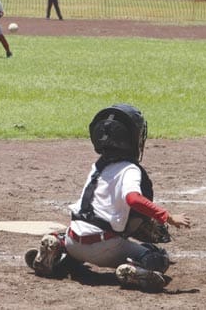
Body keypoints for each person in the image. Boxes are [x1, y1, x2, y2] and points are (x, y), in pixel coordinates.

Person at [24, 104, 192, 292]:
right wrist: (167, 216)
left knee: (75, 240)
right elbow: (134, 199)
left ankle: (57, 251)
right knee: (158, 258)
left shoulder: (98, 166)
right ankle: (134, 271)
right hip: (104, 247)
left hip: (73, 239)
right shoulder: (130, 170)